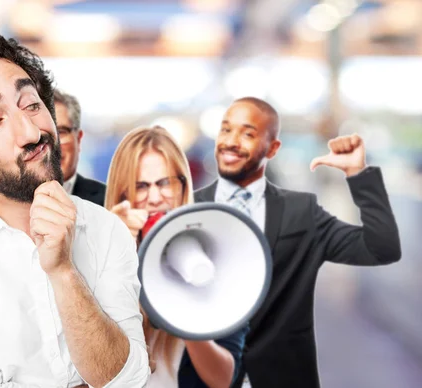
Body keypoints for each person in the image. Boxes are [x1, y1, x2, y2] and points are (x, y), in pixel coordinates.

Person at [0, 26, 150, 388]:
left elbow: (128, 379)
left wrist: (63, 271)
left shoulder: (106, 228)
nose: (30, 132)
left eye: (32, 105)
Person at [194, 97, 402, 388]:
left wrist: (358, 175)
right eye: (226, 130)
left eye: (248, 134)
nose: (231, 141)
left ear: (273, 148)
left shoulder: (301, 213)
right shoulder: (187, 211)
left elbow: (381, 248)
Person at [105, 125, 248, 388]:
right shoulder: (99, 255)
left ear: (183, 187)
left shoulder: (220, 258)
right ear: (123, 193)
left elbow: (224, 379)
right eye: (141, 187)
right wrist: (108, 256)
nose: (155, 198)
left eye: (164, 183)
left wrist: (185, 313)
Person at [54, 89, 106, 206]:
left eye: (61, 132)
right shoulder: (9, 205)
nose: (53, 145)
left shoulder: (110, 201)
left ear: (78, 139)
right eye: (43, 134)